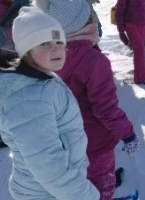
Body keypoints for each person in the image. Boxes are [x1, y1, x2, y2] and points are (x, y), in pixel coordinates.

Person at [35, 0, 141, 199]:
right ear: (83, 22)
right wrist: (128, 134)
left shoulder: (49, 55)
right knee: (100, 183)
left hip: (64, 140)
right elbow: (106, 109)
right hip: (94, 142)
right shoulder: (93, 60)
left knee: (78, 183)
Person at [0, 7, 100, 199]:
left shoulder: (42, 79)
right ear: (27, 51)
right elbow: (48, 164)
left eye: (58, 41)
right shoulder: (28, 98)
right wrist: (86, 196)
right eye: (44, 43)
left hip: (53, 189)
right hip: (45, 193)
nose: (55, 49)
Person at [115, 0, 145, 84]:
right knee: (140, 50)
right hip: (131, 24)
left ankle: (139, 75)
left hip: (143, 24)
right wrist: (121, 31)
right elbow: (119, 11)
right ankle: (142, 77)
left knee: (140, 51)